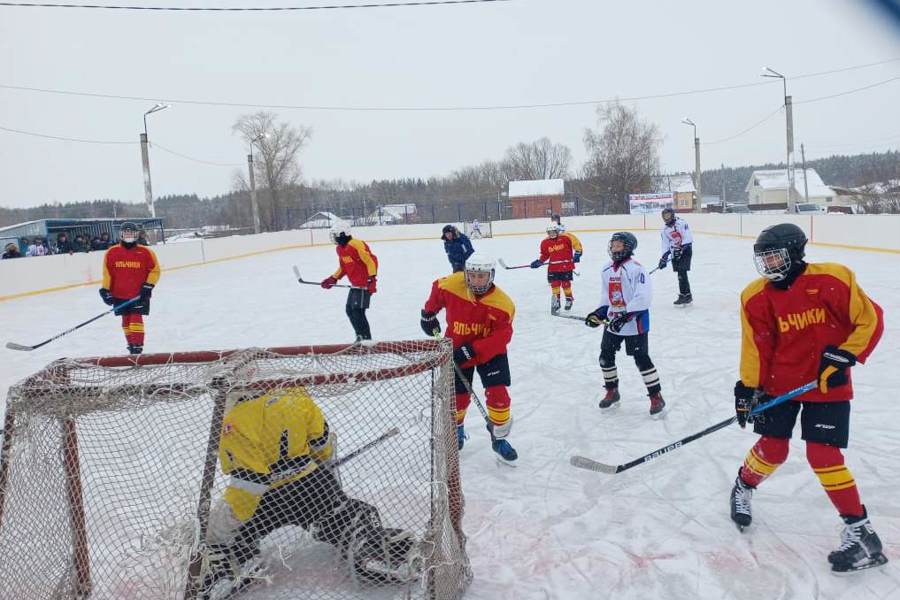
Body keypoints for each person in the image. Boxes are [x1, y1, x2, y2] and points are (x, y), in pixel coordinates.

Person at [729, 223, 886, 573]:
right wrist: (748, 388)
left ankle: (860, 531)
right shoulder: (755, 296)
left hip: (827, 384)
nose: (768, 264)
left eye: (774, 256)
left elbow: (871, 320)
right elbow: (756, 346)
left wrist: (847, 354)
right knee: (773, 448)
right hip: (780, 384)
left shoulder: (833, 279)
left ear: (795, 252)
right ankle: (743, 485)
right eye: (763, 258)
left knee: (824, 454)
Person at [201, 385, 420, 596]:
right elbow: (322, 442)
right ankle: (375, 547)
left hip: (267, 499)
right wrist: (325, 477)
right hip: (312, 484)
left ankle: (229, 565)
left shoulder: (235, 420)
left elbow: (249, 486)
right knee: (344, 521)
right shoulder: (294, 392)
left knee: (233, 538)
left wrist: (217, 532)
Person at [420, 253, 518, 462]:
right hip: (456, 349)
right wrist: (428, 314)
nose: (475, 280)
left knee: (499, 396)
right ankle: (457, 428)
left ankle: (498, 439)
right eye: (471, 275)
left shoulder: (503, 304)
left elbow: (503, 336)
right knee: (458, 398)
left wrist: (473, 350)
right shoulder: (453, 284)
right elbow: (437, 289)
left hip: (490, 352)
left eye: (481, 276)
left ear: (491, 275)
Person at [584, 232, 665, 416]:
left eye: (618, 245)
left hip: (635, 322)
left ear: (627, 248)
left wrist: (626, 316)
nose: (614, 248)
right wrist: (598, 314)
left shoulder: (637, 269)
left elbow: (643, 298)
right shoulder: (606, 270)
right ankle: (612, 391)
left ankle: (656, 396)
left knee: (641, 359)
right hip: (613, 322)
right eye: (613, 245)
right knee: (605, 356)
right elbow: (606, 297)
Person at [99, 222, 160, 354]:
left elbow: (155, 271)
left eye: (131, 233)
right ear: (121, 234)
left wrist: (148, 285)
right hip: (119, 294)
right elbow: (107, 273)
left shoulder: (145, 252)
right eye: (126, 233)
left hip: (139, 294)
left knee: (135, 320)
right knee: (126, 321)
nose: (128, 235)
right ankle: (131, 345)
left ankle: (137, 346)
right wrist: (105, 290)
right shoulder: (112, 252)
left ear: (136, 234)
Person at [321, 221, 378, 342]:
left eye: (336, 235)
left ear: (343, 234)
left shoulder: (356, 244)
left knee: (358, 312)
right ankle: (360, 337)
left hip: (364, 284)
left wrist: (372, 279)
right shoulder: (340, 249)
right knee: (349, 310)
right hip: (355, 285)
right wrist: (333, 278)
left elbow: (370, 261)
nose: (334, 238)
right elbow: (343, 267)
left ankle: (366, 340)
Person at [530, 223, 582, 313]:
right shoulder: (545, 242)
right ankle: (556, 302)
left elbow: (577, 246)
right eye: (549, 233)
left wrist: (577, 254)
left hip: (566, 266)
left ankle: (569, 299)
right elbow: (545, 254)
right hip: (553, 267)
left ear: (557, 231)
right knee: (555, 284)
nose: (552, 234)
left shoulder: (566, 238)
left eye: (553, 232)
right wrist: (539, 261)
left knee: (566, 284)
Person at [657, 207, 694, 305]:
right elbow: (665, 245)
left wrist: (681, 248)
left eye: (668, 215)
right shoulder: (664, 230)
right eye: (665, 216)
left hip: (686, 250)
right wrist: (664, 258)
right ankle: (685, 295)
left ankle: (685, 295)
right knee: (680, 274)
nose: (667, 218)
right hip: (675, 252)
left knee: (682, 271)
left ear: (672, 215)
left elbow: (688, 237)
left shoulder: (681, 223)